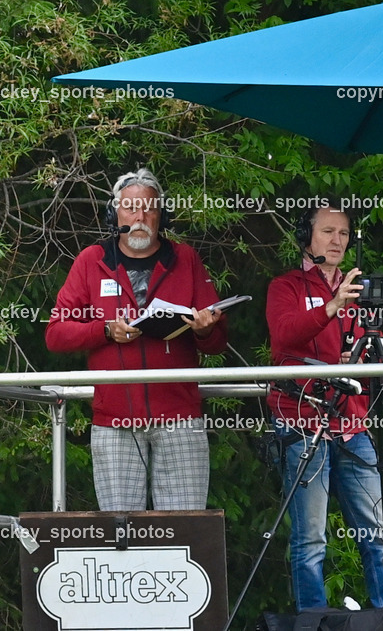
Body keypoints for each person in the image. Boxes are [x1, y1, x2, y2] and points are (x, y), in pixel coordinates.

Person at [46, 168, 227, 511]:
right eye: (130, 208)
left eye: (149, 208)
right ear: (114, 213)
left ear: (162, 215)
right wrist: (104, 330)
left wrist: (205, 328)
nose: (140, 217)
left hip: (179, 417)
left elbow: (217, 342)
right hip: (114, 420)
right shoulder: (91, 260)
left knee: (184, 529)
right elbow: (56, 333)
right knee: (121, 536)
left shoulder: (185, 258)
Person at [265, 201, 383, 611]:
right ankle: (314, 621)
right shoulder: (285, 286)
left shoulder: (358, 290)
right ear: (305, 237)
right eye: (327, 231)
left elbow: (374, 360)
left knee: (376, 534)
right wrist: (332, 307)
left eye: (343, 233)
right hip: (302, 421)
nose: (337, 240)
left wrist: (360, 361)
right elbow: (284, 337)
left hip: (352, 425)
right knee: (310, 539)